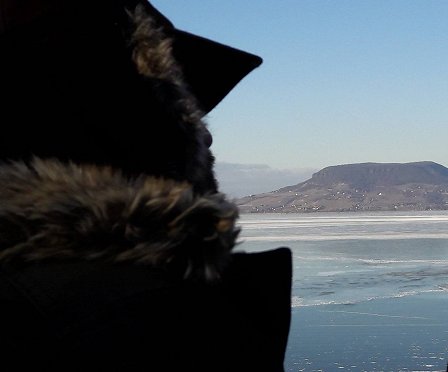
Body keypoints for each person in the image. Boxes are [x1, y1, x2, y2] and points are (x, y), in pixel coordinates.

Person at [0, 0, 291, 370]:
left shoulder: (38, 296)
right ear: (136, 129)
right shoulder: (142, 318)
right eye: (186, 115)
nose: (208, 141)